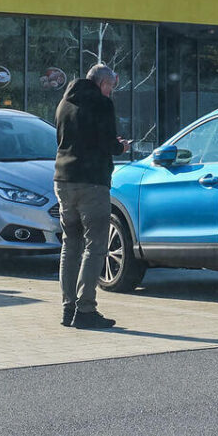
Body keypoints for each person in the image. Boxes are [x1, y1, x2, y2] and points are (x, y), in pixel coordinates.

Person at [54, 64, 129, 330]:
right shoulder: (101, 104)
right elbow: (108, 143)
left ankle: (68, 308)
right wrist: (121, 146)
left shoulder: (64, 103)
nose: (111, 92)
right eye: (111, 87)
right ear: (102, 83)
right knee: (95, 245)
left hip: (63, 179)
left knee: (70, 244)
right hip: (92, 182)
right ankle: (86, 309)